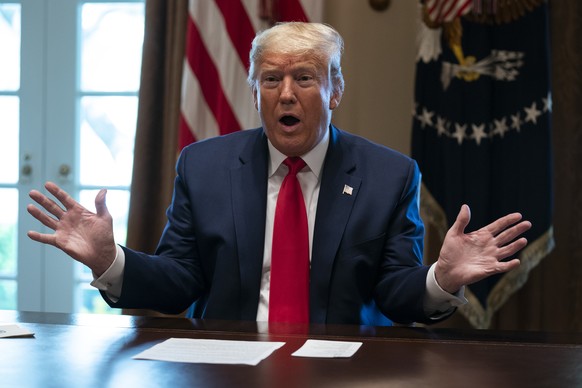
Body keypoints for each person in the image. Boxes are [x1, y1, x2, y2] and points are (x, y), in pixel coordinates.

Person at [26, 22, 531, 326]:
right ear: (255, 93)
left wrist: (440, 279)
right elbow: (179, 282)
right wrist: (110, 261)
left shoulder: (389, 174)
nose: (285, 94)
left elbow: (396, 293)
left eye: (304, 78)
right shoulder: (203, 167)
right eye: (271, 79)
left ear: (335, 92)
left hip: (345, 368)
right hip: (226, 368)